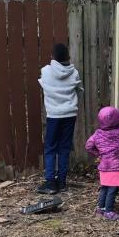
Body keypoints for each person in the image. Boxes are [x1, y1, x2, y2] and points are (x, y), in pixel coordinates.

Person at [37, 43, 81, 194]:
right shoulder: (74, 72)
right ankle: (62, 182)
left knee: (50, 147)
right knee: (64, 147)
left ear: (53, 57)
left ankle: (50, 182)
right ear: (68, 56)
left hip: (54, 115)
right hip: (70, 114)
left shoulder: (45, 71)